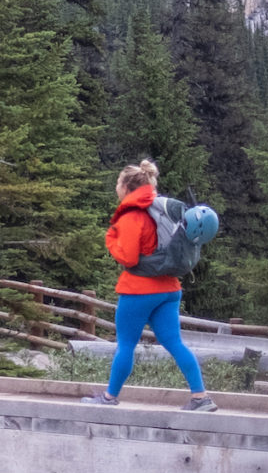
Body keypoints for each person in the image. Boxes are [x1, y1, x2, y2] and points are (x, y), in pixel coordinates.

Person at [82, 158, 215, 410]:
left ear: (126, 186)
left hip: (139, 290)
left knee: (126, 345)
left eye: (118, 182)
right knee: (174, 343)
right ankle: (200, 397)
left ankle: (109, 397)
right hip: (169, 289)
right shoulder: (159, 209)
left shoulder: (132, 215)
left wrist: (111, 240)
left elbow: (129, 257)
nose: (116, 187)